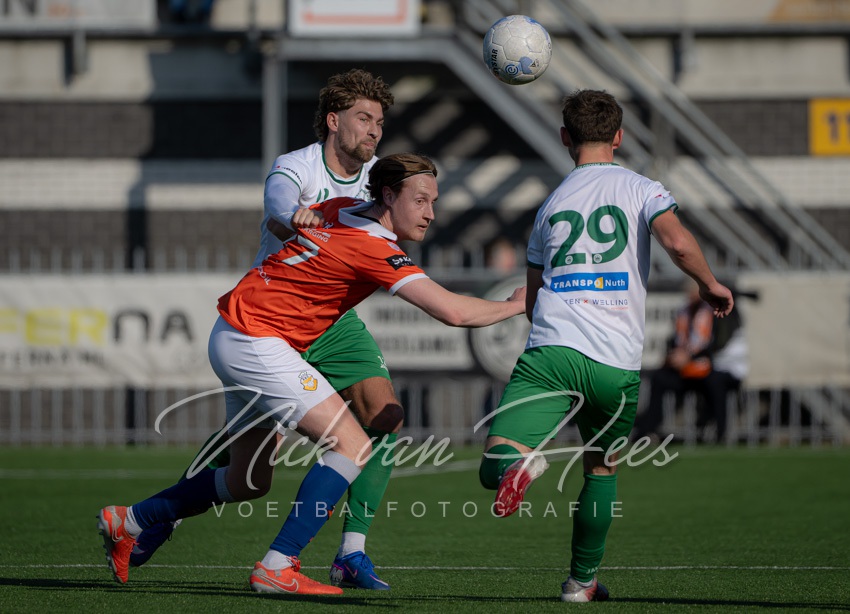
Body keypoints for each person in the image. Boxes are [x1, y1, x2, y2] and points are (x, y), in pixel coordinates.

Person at [98, 152, 526, 595]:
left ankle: (130, 520)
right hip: (257, 340)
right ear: (387, 195)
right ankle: (278, 565)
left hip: (235, 331)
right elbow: (454, 312)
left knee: (246, 480)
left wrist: (298, 219)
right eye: (420, 201)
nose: (430, 213)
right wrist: (517, 305)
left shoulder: (341, 208)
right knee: (353, 445)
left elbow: (292, 220)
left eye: (433, 201)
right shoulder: (375, 246)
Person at [131, 68, 404, 590]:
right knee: (251, 464)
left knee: (385, 414)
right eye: (363, 118)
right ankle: (160, 516)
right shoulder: (296, 165)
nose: (374, 130)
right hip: (275, 315)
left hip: (333, 319)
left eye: (379, 121)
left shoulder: (376, 179)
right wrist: (295, 215)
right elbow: (279, 200)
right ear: (333, 120)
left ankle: (351, 552)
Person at [476, 90, 733, 602]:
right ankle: (581, 583)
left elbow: (533, 296)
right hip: (616, 364)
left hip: (553, 354)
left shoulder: (551, 204)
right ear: (618, 136)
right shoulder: (642, 188)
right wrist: (708, 284)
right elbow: (678, 242)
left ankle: (516, 466)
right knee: (601, 468)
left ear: (564, 137)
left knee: (492, 465)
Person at [634, 280, 748, 443]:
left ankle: (719, 432)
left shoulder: (717, 312)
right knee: (660, 378)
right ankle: (646, 429)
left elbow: (717, 344)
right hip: (689, 369)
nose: (689, 294)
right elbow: (676, 340)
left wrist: (689, 356)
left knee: (715, 383)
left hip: (717, 367)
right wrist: (674, 356)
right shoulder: (685, 311)